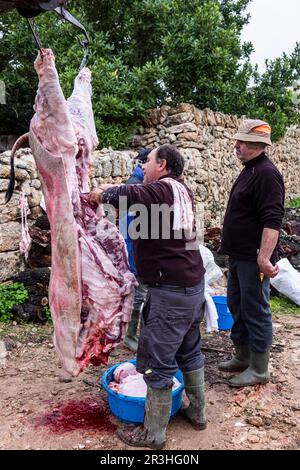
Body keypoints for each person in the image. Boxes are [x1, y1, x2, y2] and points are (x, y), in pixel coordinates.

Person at [89, 144, 206, 449]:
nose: (143, 166)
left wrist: (101, 194)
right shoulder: (182, 190)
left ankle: (153, 433)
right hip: (192, 289)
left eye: (148, 161)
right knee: (190, 352)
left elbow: (130, 195)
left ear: (163, 164)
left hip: (170, 294)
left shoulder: (162, 188)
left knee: (157, 363)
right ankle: (197, 412)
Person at [219, 119, 285, 387]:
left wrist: (264, 258)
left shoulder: (267, 173)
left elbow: (273, 219)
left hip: (253, 258)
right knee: (237, 305)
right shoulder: (250, 170)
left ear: (257, 145)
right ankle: (242, 356)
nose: (236, 145)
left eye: (241, 141)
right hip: (239, 255)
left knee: (255, 309)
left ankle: (259, 368)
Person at [121, 148, 151, 352]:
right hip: (135, 248)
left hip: (139, 247)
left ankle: (136, 333)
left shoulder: (141, 184)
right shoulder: (135, 185)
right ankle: (129, 335)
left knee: (143, 293)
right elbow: (131, 226)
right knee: (138, 294)